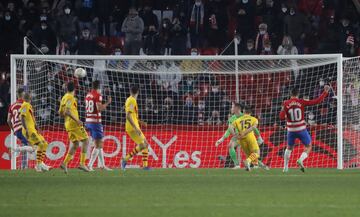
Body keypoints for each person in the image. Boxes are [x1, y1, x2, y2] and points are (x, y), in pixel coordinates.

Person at [280, 85, 330, 172]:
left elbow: (281, 117)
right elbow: (316, 101)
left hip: (291, 130)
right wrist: (325, 92)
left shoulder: (286, 103)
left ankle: (285, 167)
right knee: (308, 146)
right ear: (298, 94)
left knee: (289, 148)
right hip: (301, 129)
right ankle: (300, 159)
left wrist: (283, 108)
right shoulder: (301, 101)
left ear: (290, 94)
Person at [215, 102, 266, 170]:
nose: (231, 108)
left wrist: (259, 137)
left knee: (251, 153)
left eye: (232, 107)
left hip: (247, 136)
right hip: (238, 137)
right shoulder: (232, 118)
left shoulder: (244, 116)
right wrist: (222, 139)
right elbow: (229, 130)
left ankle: (259, 164)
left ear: (237, 108)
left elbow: (254, 127)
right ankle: (237, 165)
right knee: (230, 145)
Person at [59, 81, 90, 173]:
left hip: (67, 124)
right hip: (73, 123)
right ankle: (82, 163)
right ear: (74, 89)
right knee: (86, 140)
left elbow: (60, 113)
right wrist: (77, 120)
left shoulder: (64, 97)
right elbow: (68, 111)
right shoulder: (70, 97)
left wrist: (66, 115)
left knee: (76, 144)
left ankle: (64, 164)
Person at [121, 85, 151, 170]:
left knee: (143, 144)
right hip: (132, 127)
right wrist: (135, 127)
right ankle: (126, 160)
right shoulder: (132, 100)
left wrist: (141, 122)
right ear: (137, 92)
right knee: (145, 144)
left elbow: (132, 115)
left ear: (130, 91)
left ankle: (126, 160)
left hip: (132, 126)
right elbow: (128, 115)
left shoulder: (128, 99)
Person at [20, 92, 50, 172]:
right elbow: (22, 117)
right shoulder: (25, 105)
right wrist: (26, 129)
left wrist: (37, 127)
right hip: (29, 130)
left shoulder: (29, 105)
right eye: (30, 96)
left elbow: (31, 118)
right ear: (29, 98)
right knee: (40, 144)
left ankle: (39, 164)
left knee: (45, 144)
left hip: (33, 129)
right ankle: (38, 165)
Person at [86, 80, 112, 171]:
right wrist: (108, 102)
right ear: (98, 87)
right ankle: (89, 165)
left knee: (99, 144)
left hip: (88, 121)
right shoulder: (97, 95)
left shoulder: (88, 95)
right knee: (99, 144)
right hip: (95, 122)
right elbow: (99, 108)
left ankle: (102, 165)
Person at [231, 105, 261, 171]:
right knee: (257, 152)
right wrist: (245, 132)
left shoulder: (238, 120)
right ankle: (248, 161)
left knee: (249, 154)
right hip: (250, 136)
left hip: (241, 138)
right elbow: (253, 127)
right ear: (251, 112)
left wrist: (235, 135)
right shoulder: (254, 119)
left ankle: (253, 166)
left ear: (244, 111)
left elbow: (231, 127)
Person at [7, 88, 34, 158]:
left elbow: (8, 120)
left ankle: (24, 165)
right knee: (32, 148)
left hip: (16, 130)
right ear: (23, 94)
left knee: (25, 147)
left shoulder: (12, 106)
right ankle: (13, 150)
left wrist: (13, 130)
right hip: (23, 128)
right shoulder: (25, 104)